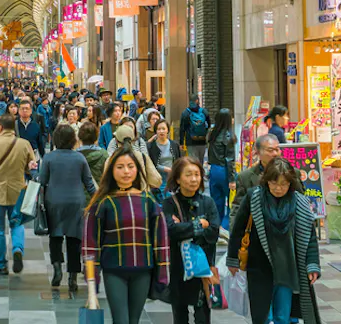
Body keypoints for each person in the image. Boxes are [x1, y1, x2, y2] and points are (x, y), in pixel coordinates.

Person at [226, 158, 321, 324]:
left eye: (284, 184)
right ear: (266, 180)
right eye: (274, 182)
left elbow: (310, 237)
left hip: (288, 269)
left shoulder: (299, 202)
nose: (278, 188)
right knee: (263, 316)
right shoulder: (254, 198)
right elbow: (238, 229)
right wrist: (233, 259)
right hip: (260, 268)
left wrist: (312, 264)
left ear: (291, 183)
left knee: (283, 318)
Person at [83, 147, 170, 324]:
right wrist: (91, 279)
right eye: (120, 167)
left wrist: (163, 272)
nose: (126, 171)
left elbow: (160, 241)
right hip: (114, 270)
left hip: (143, 270)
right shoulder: (103, 203)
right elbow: (90, 244)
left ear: (138, 170)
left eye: (130, 166)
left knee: (133, 321)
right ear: (111, 171)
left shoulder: (149, 201)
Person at [162, 156, 219, 324]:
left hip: (203, 268)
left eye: (197, 174)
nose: (194, 179)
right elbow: (170, 230)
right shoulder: (169, 203)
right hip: (179, 268)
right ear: (178, 178)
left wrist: (185, 228)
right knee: (179, 315)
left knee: (203, 316)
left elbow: (214, 233)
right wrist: (199, 225)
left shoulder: (207, 203)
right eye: (188, 174)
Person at [40, 125, 96, 293]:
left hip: (54, 201)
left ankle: (57, 269)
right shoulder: (79, 158)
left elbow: (42, 182)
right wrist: (98, 201)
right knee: (74, 239)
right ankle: (72, 276)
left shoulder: (49, 158)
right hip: (76, 202)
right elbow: (89, 184)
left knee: (55, 236)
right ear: (73, 139)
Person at [0, 112, 36, 276]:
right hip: (18, 190)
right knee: (17, 224)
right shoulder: (24, 144)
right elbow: (31, 167)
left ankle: (1, 264)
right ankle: (17, 249)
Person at [230, 133, 280, 221]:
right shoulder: (245, 177)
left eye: (277, 149)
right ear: (258, 152)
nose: (275, 153)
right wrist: (234, 232)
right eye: (270, 150)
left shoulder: (291, 173)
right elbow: (238, 209)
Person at [106, 121, 162, 191]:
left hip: (116, 197)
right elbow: (157, 180)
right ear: (133, 140)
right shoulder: (141, 156)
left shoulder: (111, 158)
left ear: (116, 141)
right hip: (141, 197)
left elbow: (105, 181)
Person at [206, 109, 237, 229]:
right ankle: (226, 229)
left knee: (216, 201)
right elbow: (229, 160)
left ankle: (216, 227)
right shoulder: (228, 136)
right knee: (230, 202)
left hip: (214, 170)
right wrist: (232, 179)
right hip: (224, 171)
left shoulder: (212, 134)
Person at [147, 119, 182, 198]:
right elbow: (150, 164)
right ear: (156, 131)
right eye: (159, 129)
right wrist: (165, 169)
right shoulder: (151, 146)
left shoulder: (174, 144)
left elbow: (179, 161)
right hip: (157, 178)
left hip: (172, 177)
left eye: (163, 129)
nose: (161, 131)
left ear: (167, 130)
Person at [178, 95, 211, 162]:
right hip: (202, 141)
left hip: (190, 141)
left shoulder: (185, 113)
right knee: (201, 161)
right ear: (197, 101)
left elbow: (182, 129)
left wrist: (181, 142)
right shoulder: (204, 111)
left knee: (193, 161)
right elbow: (209, 125)